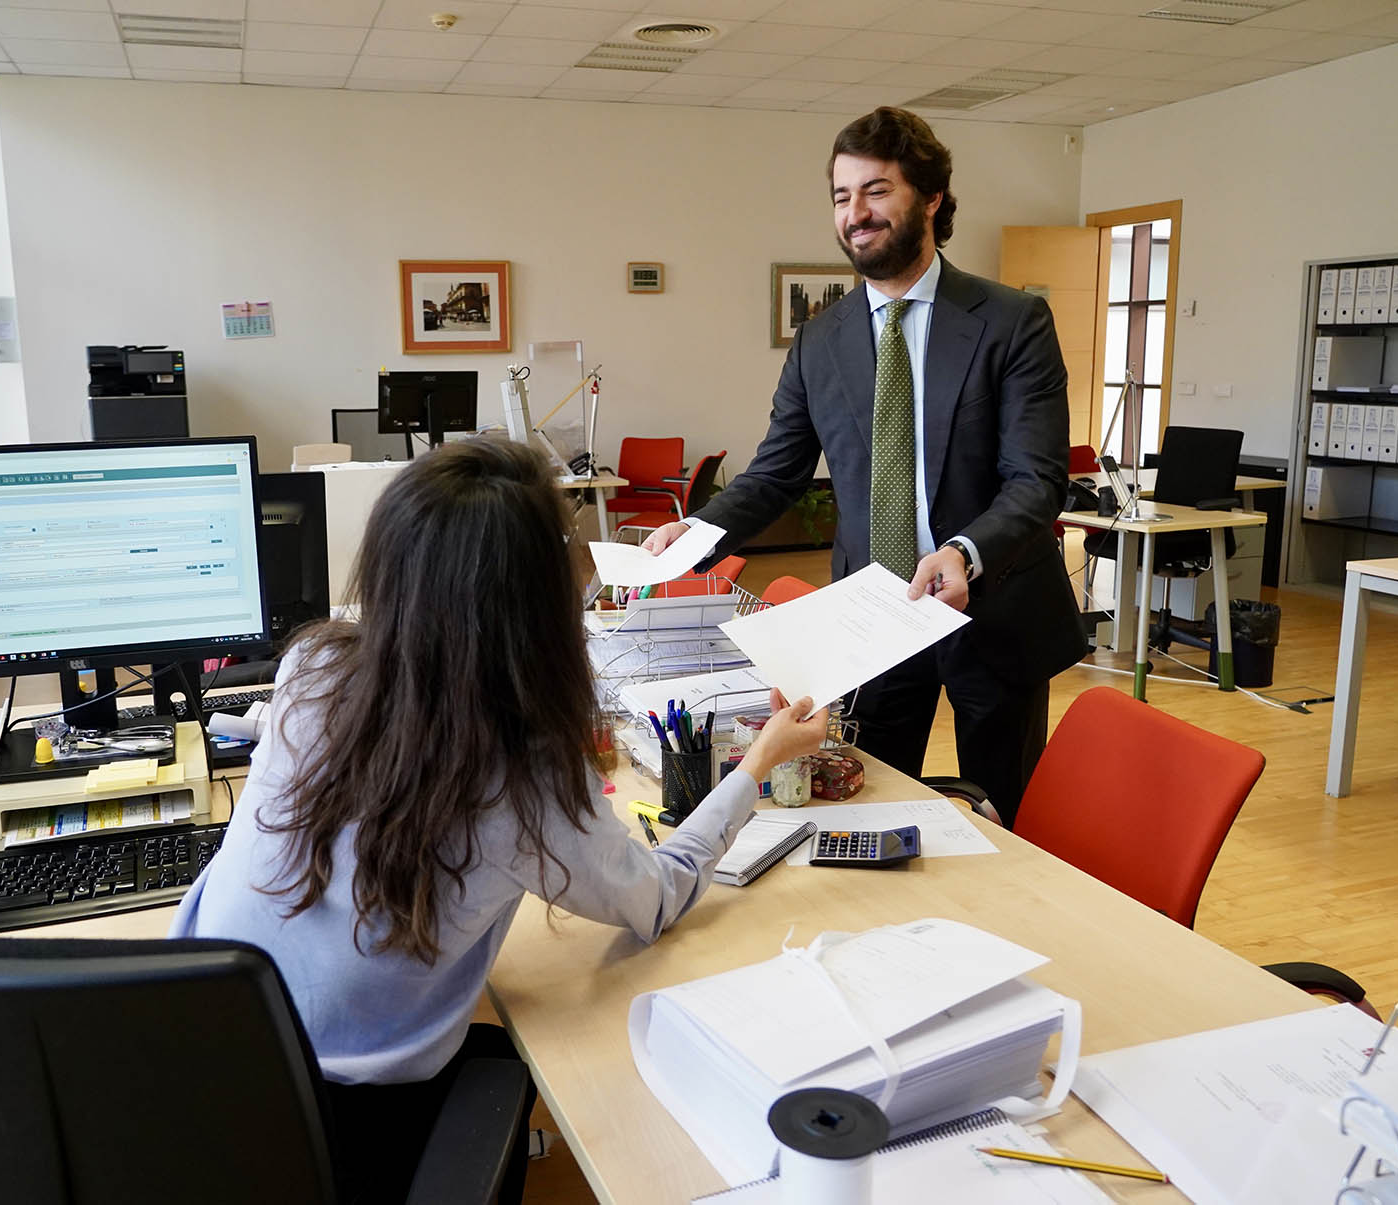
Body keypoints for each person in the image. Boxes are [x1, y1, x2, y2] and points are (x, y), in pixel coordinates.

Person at [170, 439, 828, 1204]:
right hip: (347, 1134)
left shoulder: (310, 669)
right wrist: (755, 767)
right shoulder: (525, 770)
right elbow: (655, 898)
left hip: (192, 1066)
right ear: (537, 611)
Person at [644, 106, 1086, 824]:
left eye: (876, 191)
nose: (856, 214)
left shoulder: (1011, 322)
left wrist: (965, 551)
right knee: (865, 803)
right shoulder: (821, 340)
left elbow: (1037, 478)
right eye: (842, 197)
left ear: (932, 199)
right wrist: (695, 530)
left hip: (995, 605)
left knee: (1007, 819)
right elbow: (776, 474)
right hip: (874, 616)